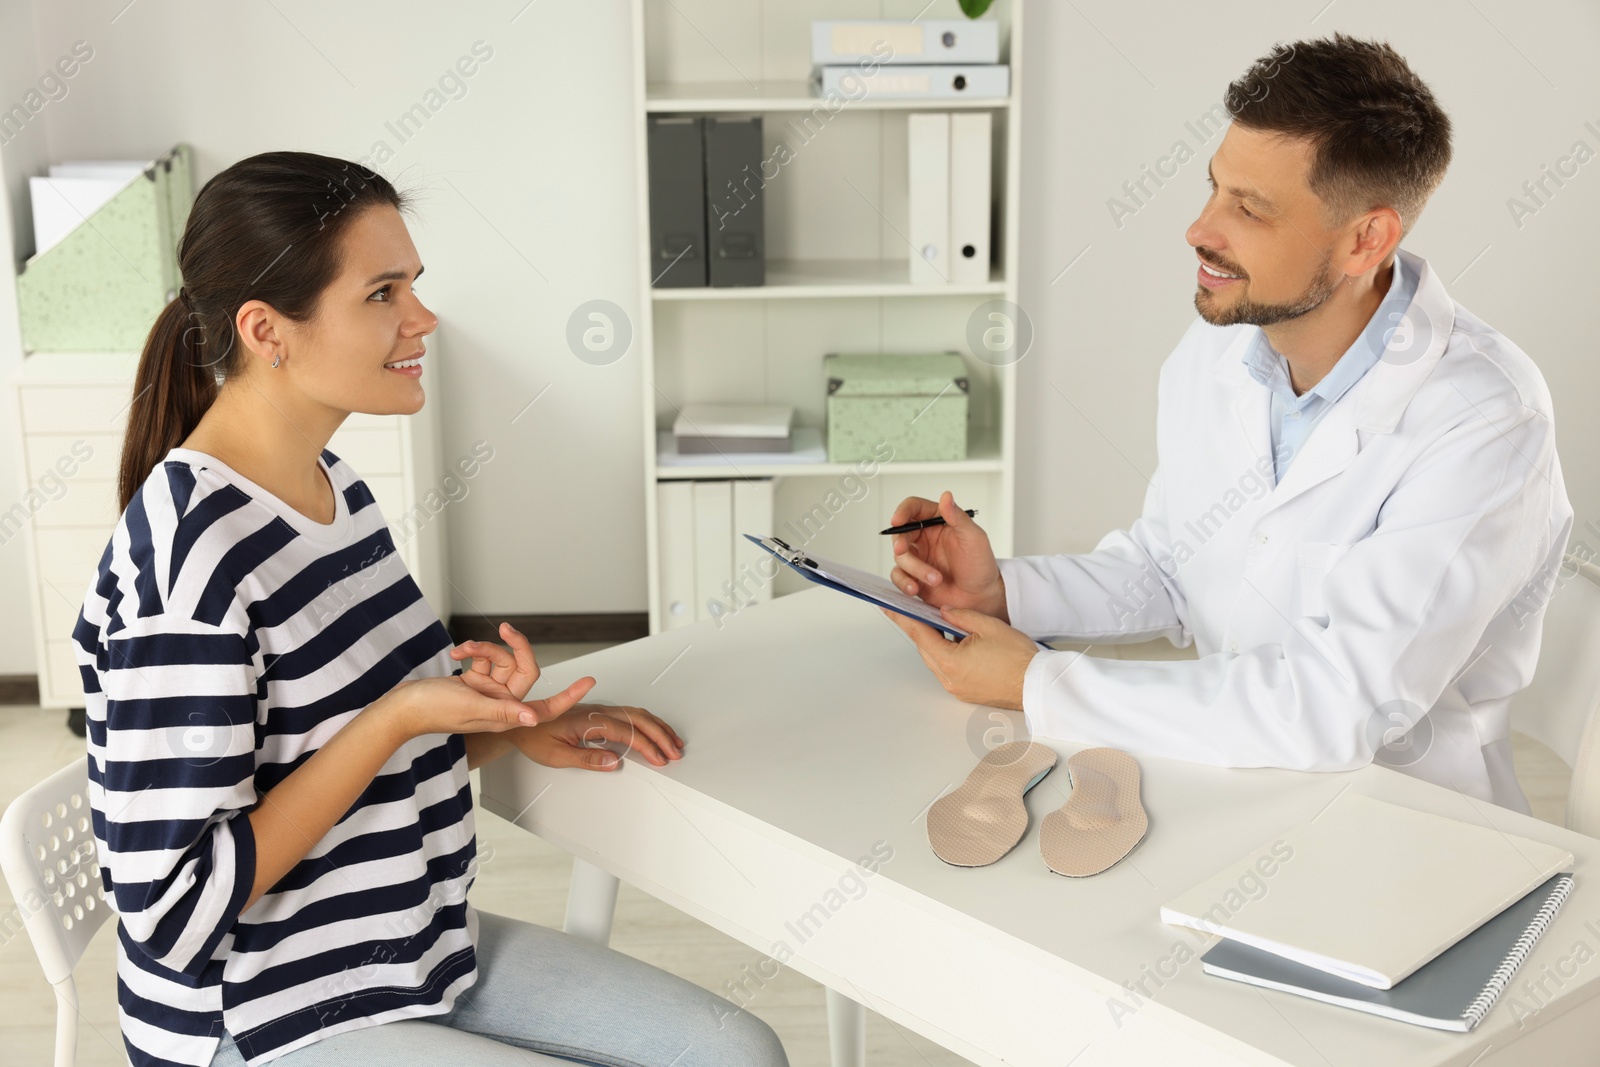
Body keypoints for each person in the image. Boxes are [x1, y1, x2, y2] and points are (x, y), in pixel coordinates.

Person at [75, 151, 788, 1067]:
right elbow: (171, 915)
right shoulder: (187, 570)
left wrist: (505, 726)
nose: (423, 318)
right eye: (382, 294)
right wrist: (401, 716)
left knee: (738, 1052)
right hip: (259, 1014)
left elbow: (346, 750)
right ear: (267, 329)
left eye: (414, 284)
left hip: (408, 948)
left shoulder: (329, 487)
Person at [880, 34, 1571, 814]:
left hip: (1405, 829)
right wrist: (1007, 591)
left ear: (1365, 239)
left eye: (1249, 208)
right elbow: (1175, 568)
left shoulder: (1485, 420)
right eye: (1214, 189)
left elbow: (1336, 709)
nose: (1200, 229)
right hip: (1222, 786)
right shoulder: (1221, 355)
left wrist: (1042, 683)